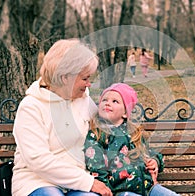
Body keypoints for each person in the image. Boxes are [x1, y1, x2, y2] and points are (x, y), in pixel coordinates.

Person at [12, 39, 113, 196]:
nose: (89, 84)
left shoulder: (83, 100)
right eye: (85, 78)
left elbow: (107, 134)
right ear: (66, 77)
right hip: (37, 182)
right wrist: (88, 182)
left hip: (79, 183)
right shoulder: (31, 106)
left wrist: (144, 161)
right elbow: (39, 161)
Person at [84, 83, 180, 196]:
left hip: (148, 188)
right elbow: (96, 166)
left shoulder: (134, 134)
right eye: (104, 100)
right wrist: (106, 190)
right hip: (120, 191)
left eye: (115, 101)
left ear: (125, 113)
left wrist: (155, 162)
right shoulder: (97, 134)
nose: (107, 103)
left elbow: (151, 153)